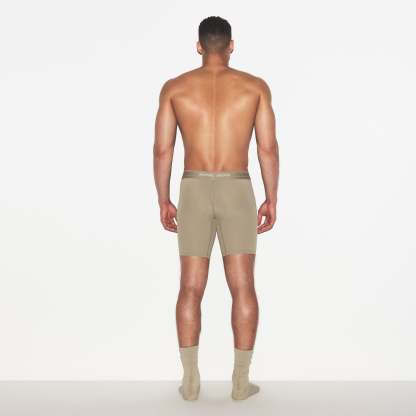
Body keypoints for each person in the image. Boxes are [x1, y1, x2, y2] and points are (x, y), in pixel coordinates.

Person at [153, 16, 279, 401]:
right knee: (243, 286)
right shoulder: (254, 88)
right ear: (231, 46)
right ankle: (241, 382)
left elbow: (163, 149)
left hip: (192, 187)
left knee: (190, 287)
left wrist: (163, 197)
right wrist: (271, 197)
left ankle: (190, 381)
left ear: (198, 46)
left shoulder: (175, 88)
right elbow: (267, 148)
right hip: (236, 188)